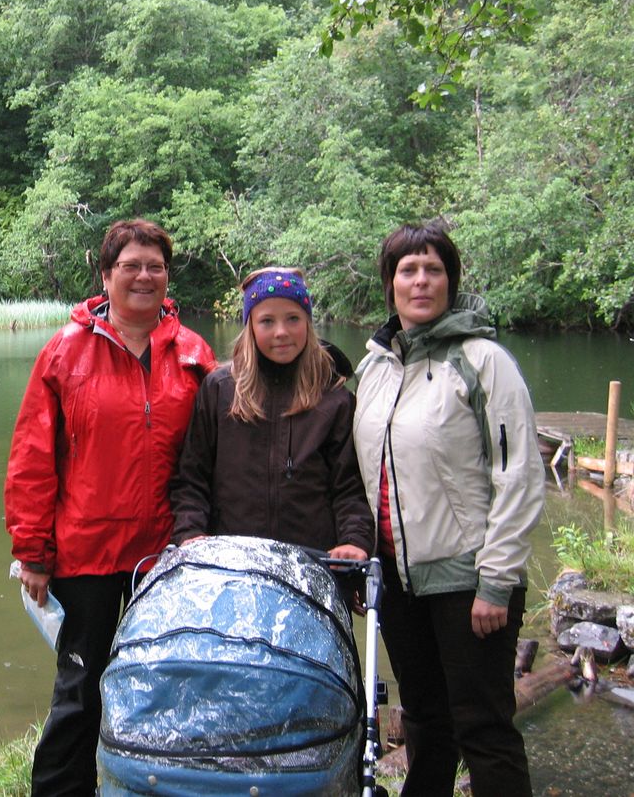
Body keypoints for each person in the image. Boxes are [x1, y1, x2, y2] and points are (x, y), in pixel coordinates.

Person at [4, 219, 216, 797]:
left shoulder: (195, 356)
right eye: (131, 266)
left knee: (170, 684)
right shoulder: (65, 353)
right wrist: (32, 552)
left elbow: (218, 456)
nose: (144, 276)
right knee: (80, 688)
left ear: (167, 277)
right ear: (106, 275)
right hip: (86, 553)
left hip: (168, 557)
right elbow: (30, 459)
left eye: (155, 266)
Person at [352, 222, 544, 797]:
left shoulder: (484, 361)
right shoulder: (377, 369)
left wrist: (497, 580)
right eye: (407, 270)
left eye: (433, 269)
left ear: (450, 281)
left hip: (468, 579)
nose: (420, 281)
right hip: (401, 584)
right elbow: (367, 477)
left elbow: (517, 474)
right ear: (390, 284)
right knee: (425, 721)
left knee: (485, 728)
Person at [169, 267, 373, 563]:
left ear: (308, 322)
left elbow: (350, 489)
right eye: (267, 321)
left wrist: (355, 540)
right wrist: (190, 531)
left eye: (293, 319)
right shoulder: (219, 389)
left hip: (311, 564)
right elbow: (192, 478)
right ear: (250, 326)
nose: (281, 332)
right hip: (232, 563)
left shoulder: (335, 397)